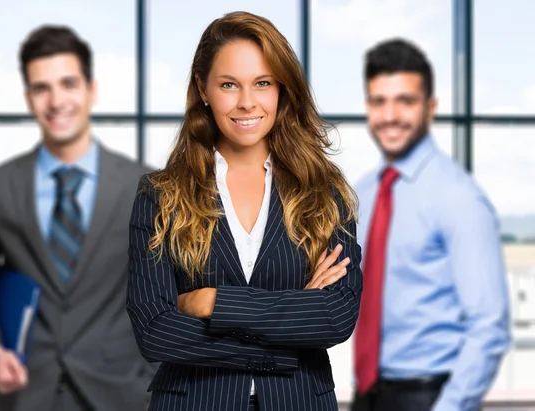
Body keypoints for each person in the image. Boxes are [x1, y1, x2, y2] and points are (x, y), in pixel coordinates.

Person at [126, 11, 362, 411]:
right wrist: (288, 324)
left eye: (263, 83)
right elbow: (156, 332)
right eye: (229, 85)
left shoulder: (324, 193)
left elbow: (335, 316)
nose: (247, 102)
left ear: (281, 91)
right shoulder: (160, 195)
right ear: (203, 88)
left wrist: (213, 303)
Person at [0, 25, 155, 411]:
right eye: (41, 88)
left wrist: (151, 381)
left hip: (119, 395)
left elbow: (166, 297)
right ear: (29, 98)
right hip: (23, 395)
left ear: (91, 89)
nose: (56, 100)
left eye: (68, 83)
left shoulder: (142, 186)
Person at [351, 38, 511, 411]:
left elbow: (490, 325)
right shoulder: (364, 194)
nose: (390, 115)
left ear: (431, 108)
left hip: (430, 396)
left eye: (405, 101)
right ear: (367, 108)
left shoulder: (459, 197)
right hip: (368, 394)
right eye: (379, 101)